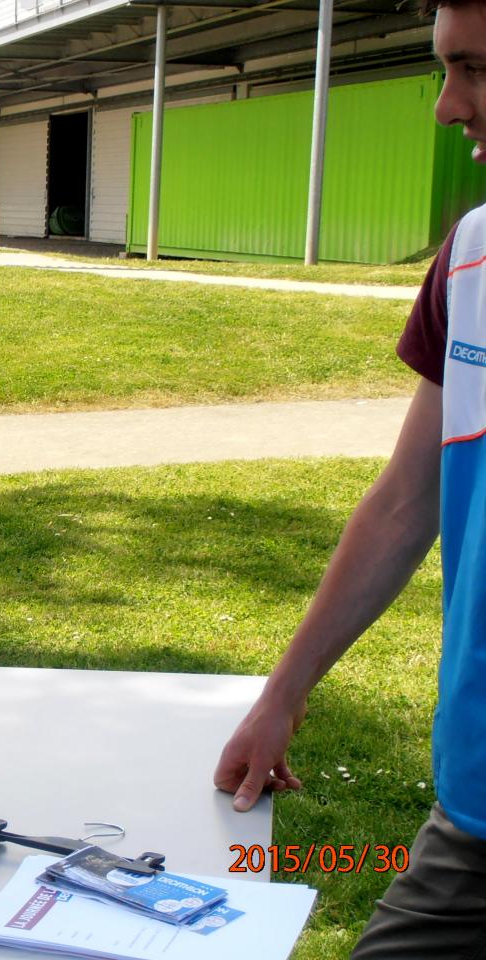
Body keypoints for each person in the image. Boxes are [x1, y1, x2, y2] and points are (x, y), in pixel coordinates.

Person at [213, 3, 486, 955]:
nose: (449, 107)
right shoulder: (471, 257)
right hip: (475, 807)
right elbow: (406, 500)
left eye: (476, 70)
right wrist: (284, 692)